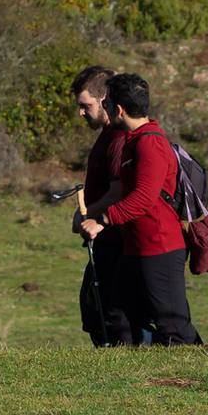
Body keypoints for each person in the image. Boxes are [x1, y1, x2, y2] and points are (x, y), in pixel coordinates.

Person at [81, 74, 201, 346]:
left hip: (159, 246)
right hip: (137, 247)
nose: (106, 108)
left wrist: (103, 219)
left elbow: (143, 198)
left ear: (119, 110)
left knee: (172, 323)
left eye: (107, 102)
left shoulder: (149, 143)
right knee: (122, 311)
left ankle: (199, 371)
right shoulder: (134, 139)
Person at [70, 65, 126, 348]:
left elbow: (119, 190)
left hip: (116, 238)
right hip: (101, 237)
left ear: (105, 100)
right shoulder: (106, 135)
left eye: (85, 106)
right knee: (94, 311)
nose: (81, 113)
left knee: (112, 314)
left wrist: (90, 214)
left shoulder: (118, 138)